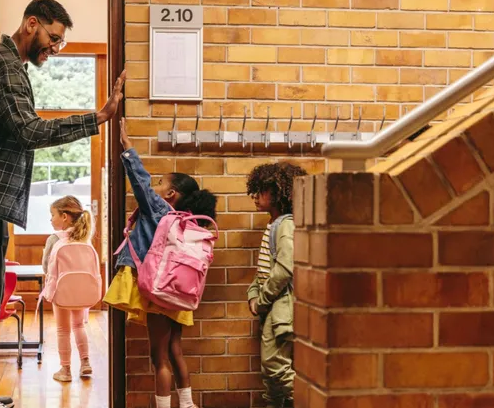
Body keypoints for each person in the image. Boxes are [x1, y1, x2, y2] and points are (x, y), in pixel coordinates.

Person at [0, 0, 126, 406]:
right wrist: (96, 118)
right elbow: (28, 130)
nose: (54, 48)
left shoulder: (10, 64)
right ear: (31, 23)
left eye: (59, 43)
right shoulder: (4, 66)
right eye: (53, 39)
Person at [104, 118, 217, 408]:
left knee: (159, 357)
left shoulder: (160, 210)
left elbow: (139, 181)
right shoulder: (187, 224)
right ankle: (188, 405)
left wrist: (127, 147)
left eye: (161, 184)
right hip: (179, 292)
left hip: (159, 291)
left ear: (171, 195)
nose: (155, 187)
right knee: (175, 349)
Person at [245, 162, 307, 408]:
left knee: (275, 367)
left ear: (280, 193)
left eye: (262, 190)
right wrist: (253, 293)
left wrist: (261, 300)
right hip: (272, 305)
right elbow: (264, 269)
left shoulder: (286, 225)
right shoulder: (274, 224)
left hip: (280, 305)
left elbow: (284, 269)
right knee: (271, 375)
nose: (255, 196)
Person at [41, 196, 95, 382]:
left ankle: (65, 370)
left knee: (63, 330)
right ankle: (85, 363)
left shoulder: (54, 239)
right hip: (81, 291)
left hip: (61, 292)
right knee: (79, 325)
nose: (51, 219)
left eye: (53, 214)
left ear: (64, 216)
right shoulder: (85, 239)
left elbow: (45, 267)